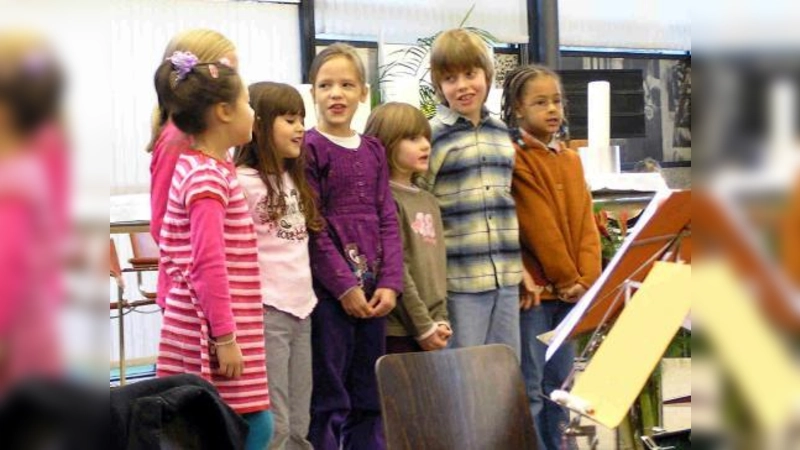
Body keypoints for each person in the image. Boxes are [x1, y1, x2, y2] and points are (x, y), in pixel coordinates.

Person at [153, 50, 272, 450]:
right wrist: (224, 338)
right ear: (223, 111)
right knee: (247, 424)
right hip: (212, 332)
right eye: (247, 103)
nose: (253, 111)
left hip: (219, 325)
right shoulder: (206, 178)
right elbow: (207, 263)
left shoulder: (211, 168)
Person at [304, 43, 403, 450]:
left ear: (364, 92)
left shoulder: (374, 149)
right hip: (330, 297)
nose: (336, 93)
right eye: (325, 85)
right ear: (313, 93)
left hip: (375, 294)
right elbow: (313, 226)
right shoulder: (309, 148)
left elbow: (386, 218)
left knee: (368, 391)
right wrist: (343, 287)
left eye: (347, 84)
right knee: (330, 394)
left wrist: (391, 283)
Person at [501, 64, 602, 450]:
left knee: (562, 384)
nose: (552, 109)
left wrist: (588, 280)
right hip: (540, 294)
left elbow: (586, 224)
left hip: (573, 294)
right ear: (518, 109)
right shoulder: (518, 157)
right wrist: (565, 280)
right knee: (532, 384)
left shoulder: (572, 159)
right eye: (540, 102)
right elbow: (536, 223)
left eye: (557, 101)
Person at [419, 28, 522, 358]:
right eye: (450, 78)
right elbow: (420, 208)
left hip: (505, 276)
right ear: (438, 86)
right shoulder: (433, 136)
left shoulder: (502, 133)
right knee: (464, 374)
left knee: (505, 372)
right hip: (460, 280)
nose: (462, 85)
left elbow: (509, 200)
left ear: (488, 77)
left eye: (470, 74)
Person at [234, 82, 321, 450]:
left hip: (303, 309)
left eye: (301, 118)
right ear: (258, 124)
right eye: (289, 119)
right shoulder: (241, 182)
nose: (300, 127)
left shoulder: (292, 178)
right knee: (277, 421)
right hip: (267, 313)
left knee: (301, 419)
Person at [148, 29, 239, 309]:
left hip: (213, 288)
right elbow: (164, 223)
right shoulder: (179, 139)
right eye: (230, 73)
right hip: (191, 293)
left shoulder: (211, 138)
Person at [364, 102, 451, 354]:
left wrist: (440, 318)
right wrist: (423, 326)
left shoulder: (428, 200)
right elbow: (396, 269)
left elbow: (437, 267)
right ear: (386, 144)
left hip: (432, 327)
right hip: (399, 331)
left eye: (426, 137)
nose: (425, 145)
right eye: (413, 138)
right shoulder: (385, 200)